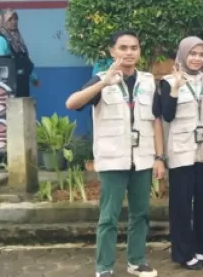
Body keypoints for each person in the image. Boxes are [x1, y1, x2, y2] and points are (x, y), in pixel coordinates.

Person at [64, 30, 166, 277]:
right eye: (123, 48)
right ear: (112, 52)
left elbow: (155, 121)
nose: (129, 52)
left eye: (134, 47)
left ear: (139, 52)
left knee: (140, 214)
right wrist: (103, 83)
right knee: (108, 217)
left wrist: (159, 157)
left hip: (141, 160)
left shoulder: (148, 81)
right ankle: (105, 267)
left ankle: (136, 261)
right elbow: (72, 103)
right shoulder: (101, 79)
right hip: (113, 159)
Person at [155, 37, 203, 270]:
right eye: (192, 54)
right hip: (181, 151)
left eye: (201, 54)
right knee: (181, 205)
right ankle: (184, 254)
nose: (196, 58)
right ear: (183, 54)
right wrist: (175, 89)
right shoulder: (167, 82)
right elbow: (167, 116)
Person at [0, 8, 39, 94]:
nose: (14, 22)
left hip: (21, 87)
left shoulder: (16, 39)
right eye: (10, 19)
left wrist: (33, 78)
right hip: (6, 92)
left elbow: (23, 61)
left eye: (16, 19)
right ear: (1, 21)